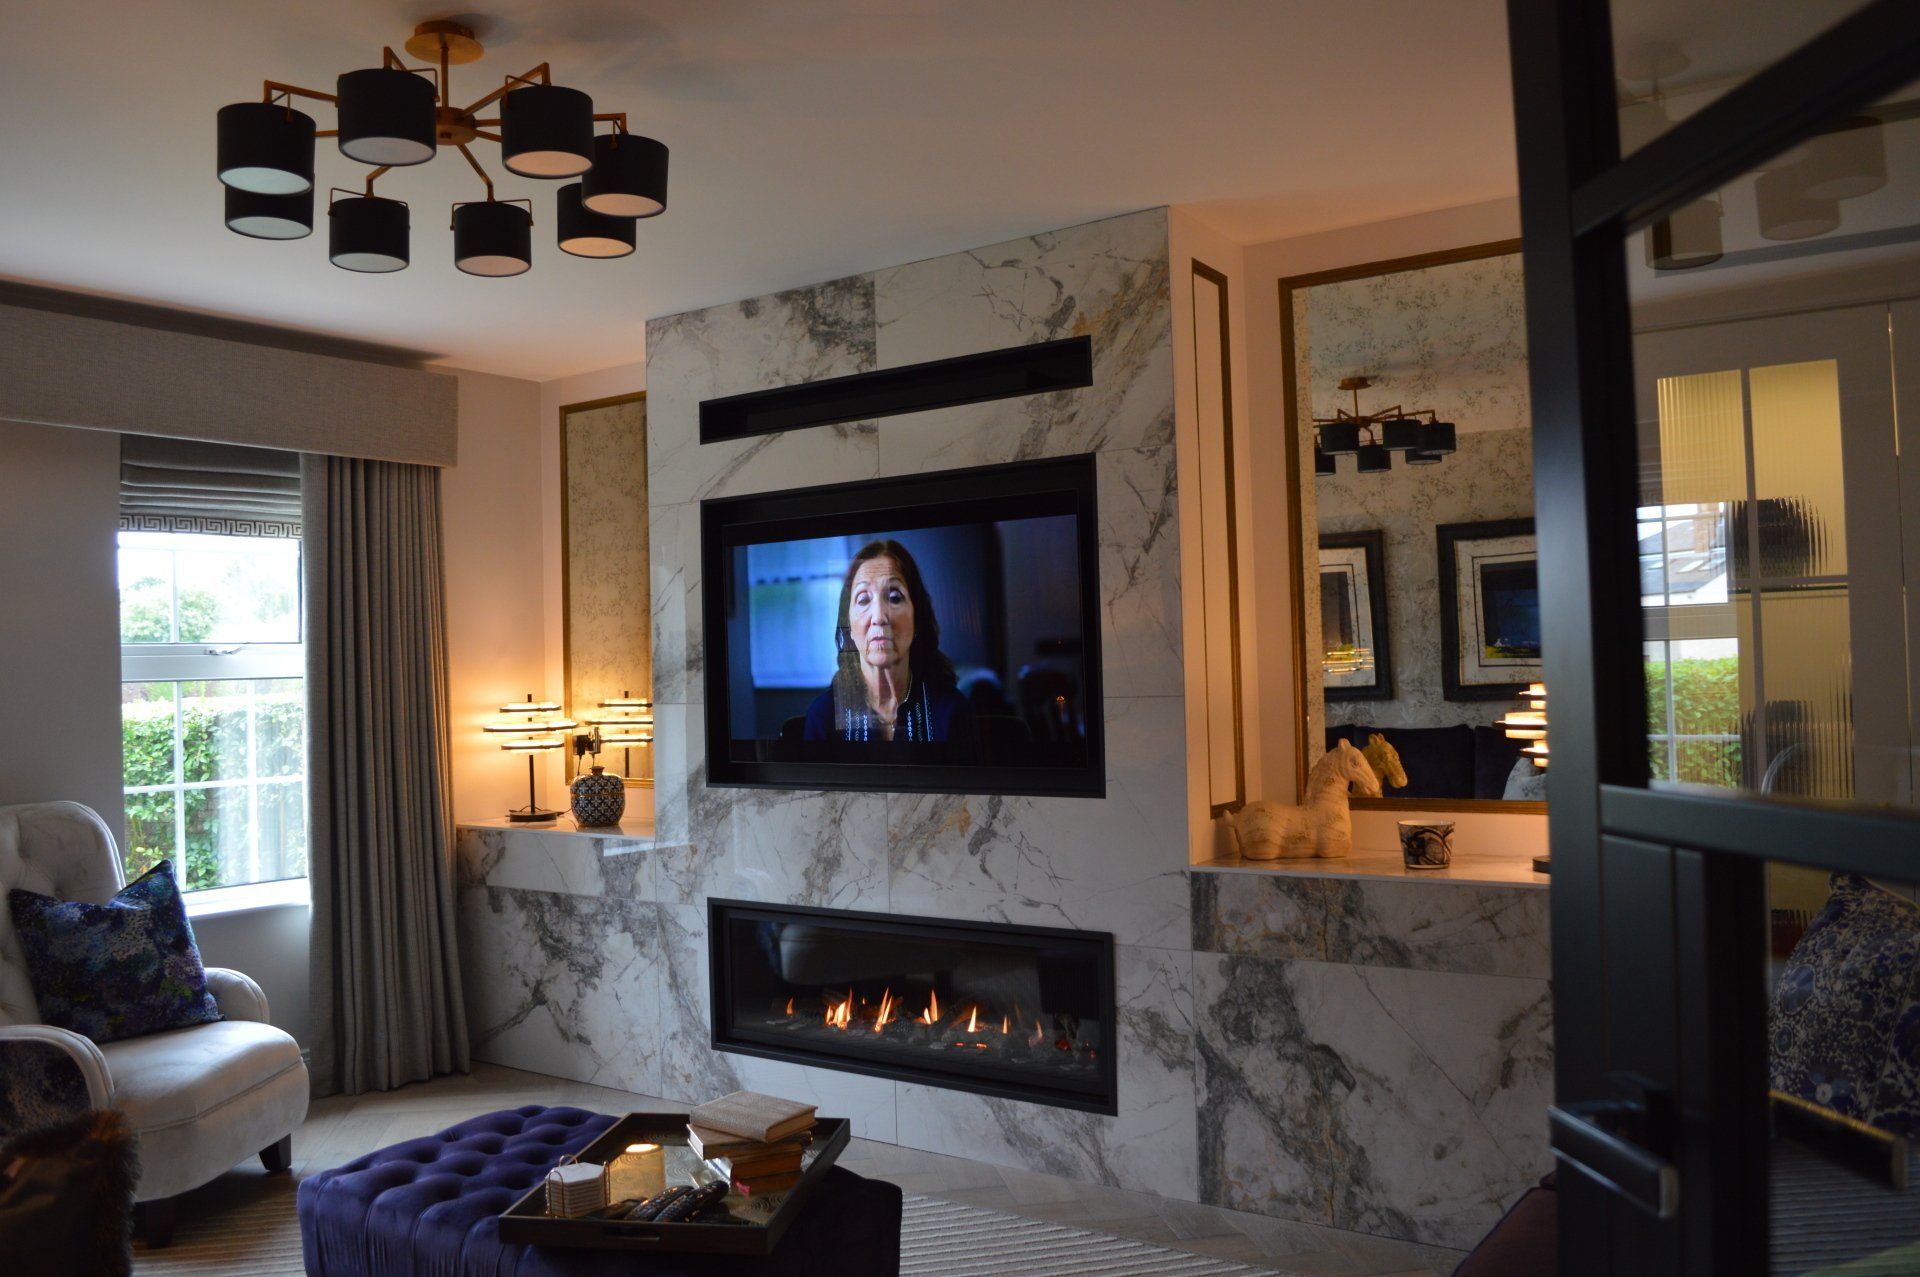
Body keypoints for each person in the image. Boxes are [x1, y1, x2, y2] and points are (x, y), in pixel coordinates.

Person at [803, 539, 974, 743]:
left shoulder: (951, 711)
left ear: (917, 619)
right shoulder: (824, 717)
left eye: (894, 597)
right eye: (864, 600)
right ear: (848, 627)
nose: (879, 617)